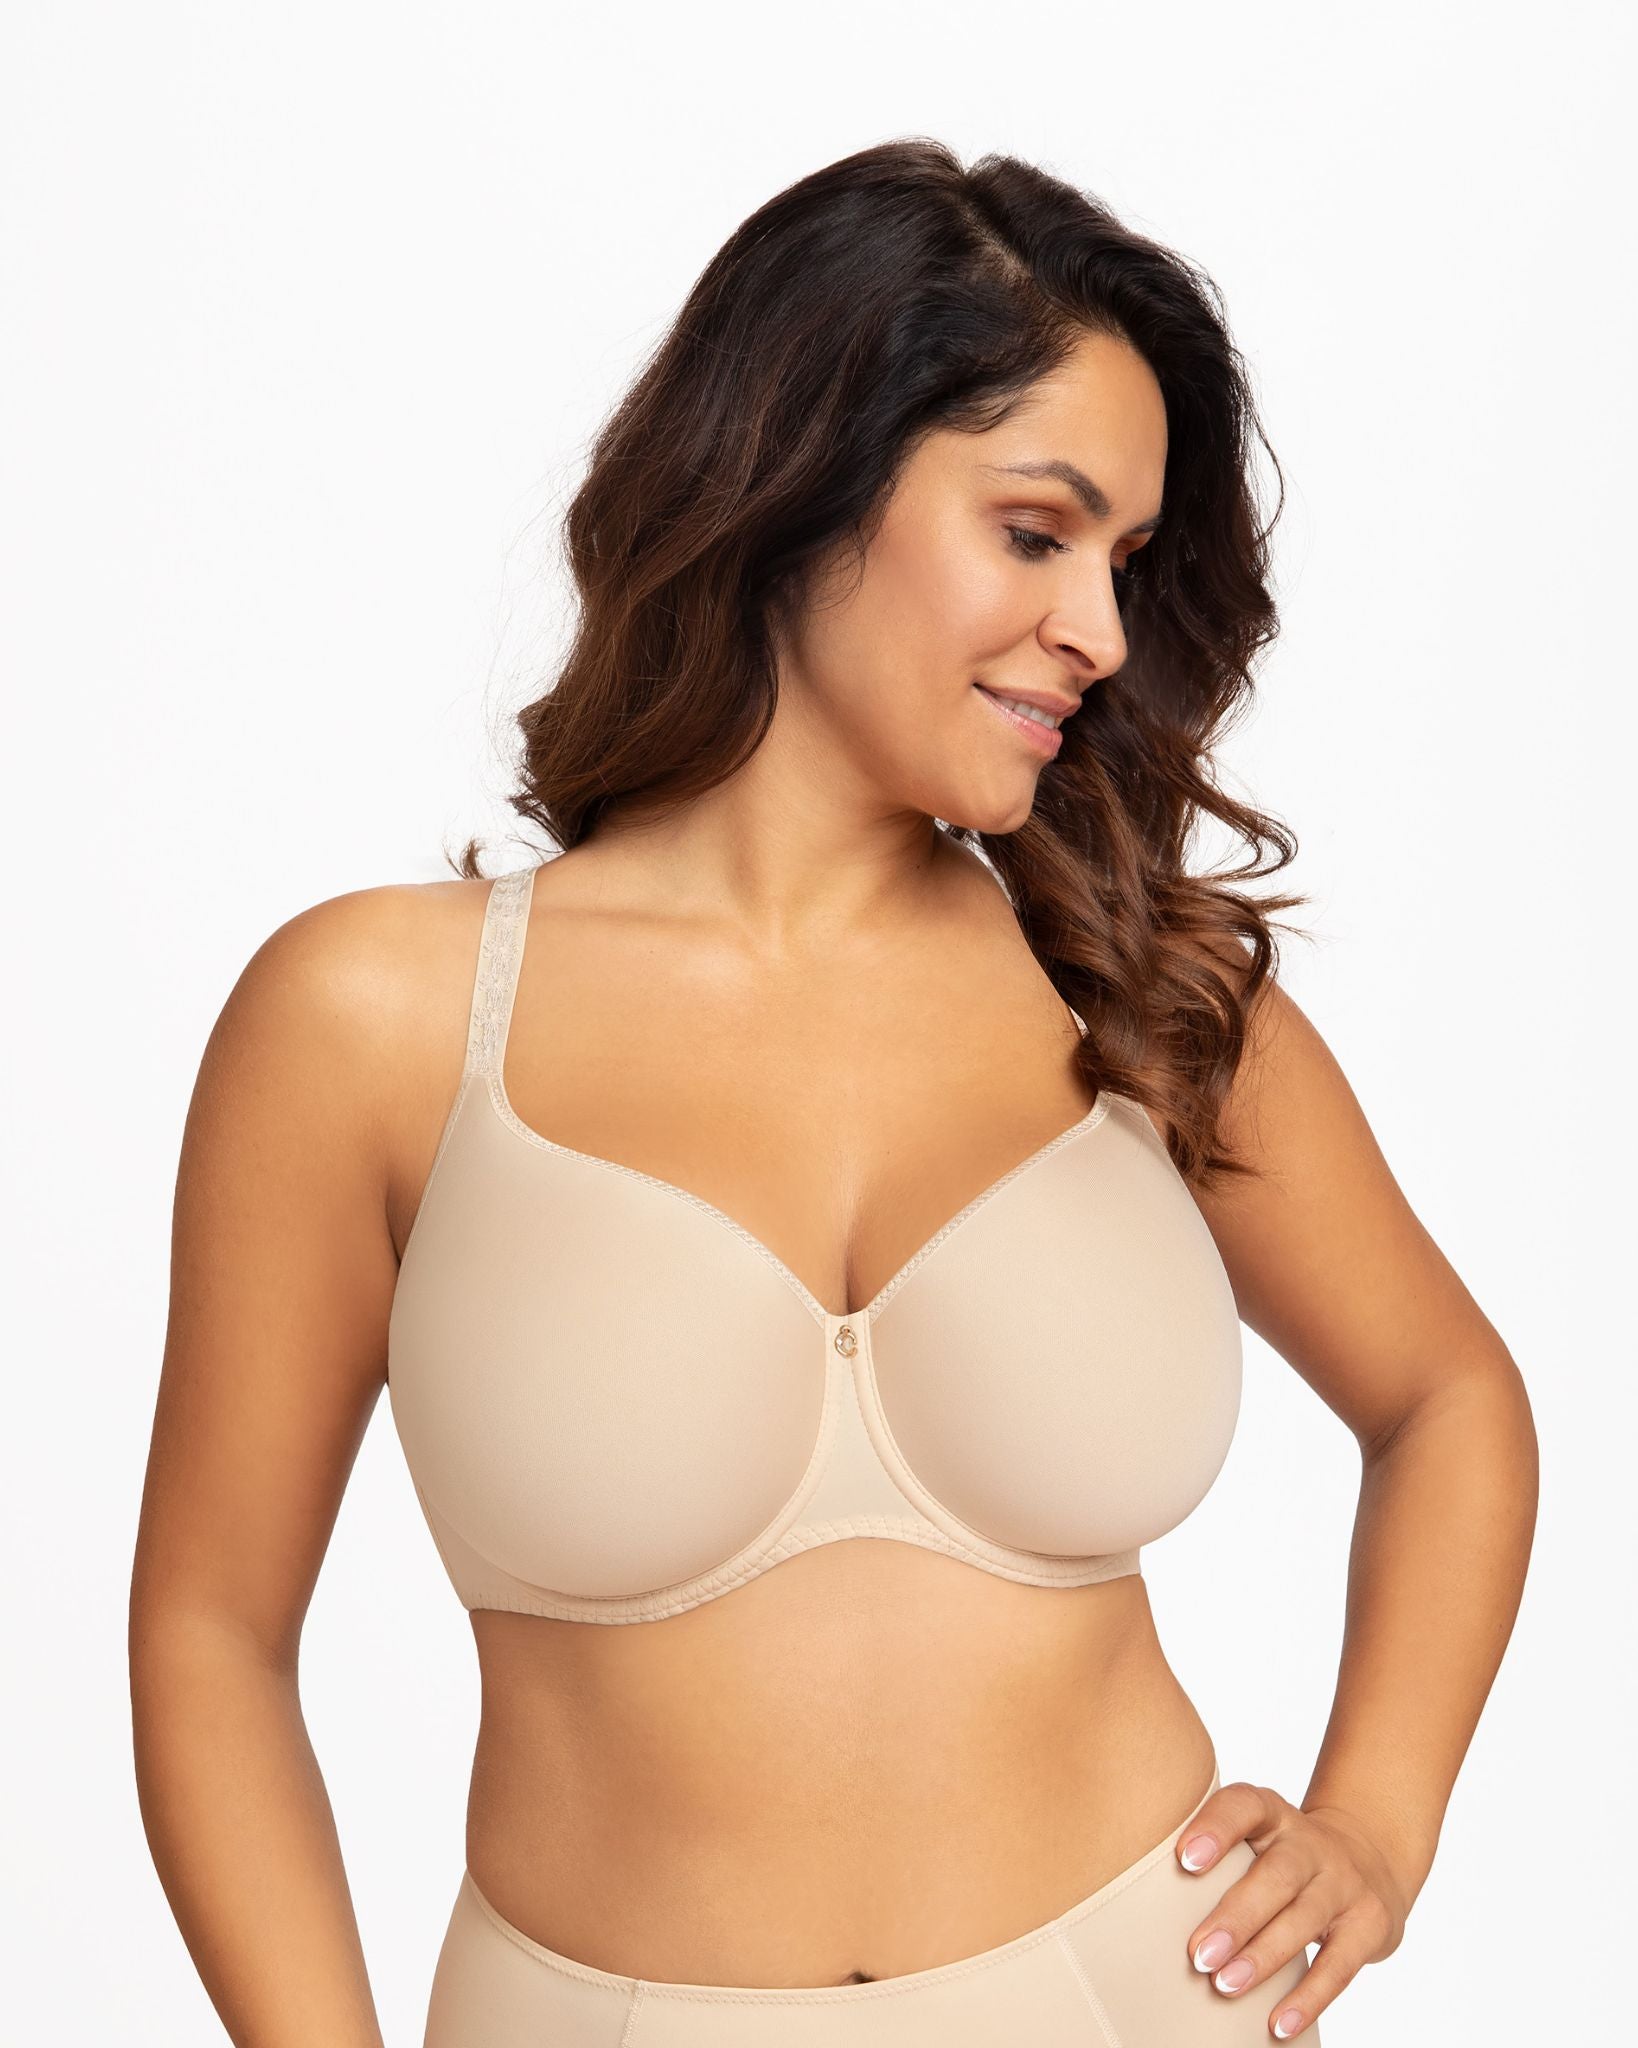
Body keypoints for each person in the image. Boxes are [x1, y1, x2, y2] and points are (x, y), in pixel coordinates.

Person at [129, 138, 1538, 2047]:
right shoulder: (376, 1020)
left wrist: (1377, 1822)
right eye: (1034, 535)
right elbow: (212, 1635)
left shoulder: (1137, 994)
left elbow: (1449, 1397)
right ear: (801, 479)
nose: (1102, 632)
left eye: (1125, 564)